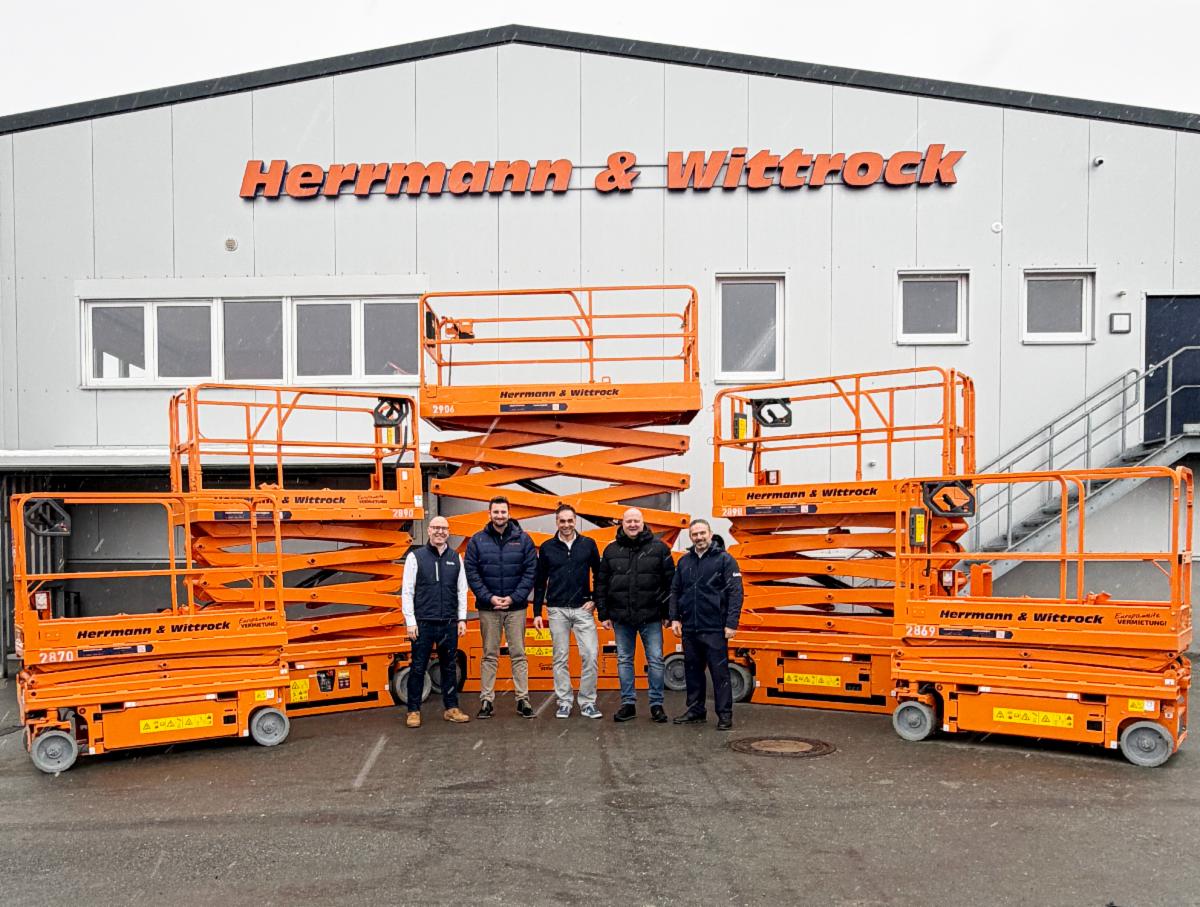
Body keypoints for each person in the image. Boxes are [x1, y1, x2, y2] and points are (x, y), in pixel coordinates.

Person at [596, 507, 675, 723]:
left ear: (643, 523)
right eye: (628, 521)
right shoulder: (611, 550)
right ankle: (628, 704)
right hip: (621, 617)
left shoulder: (659, 548)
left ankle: (656, 705)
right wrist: (603, 613)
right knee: (624, 660)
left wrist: (668, 612)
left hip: (651, 616)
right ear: (622, 524)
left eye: (636, 521)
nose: (632, 524)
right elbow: (601, 584)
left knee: (656, 660)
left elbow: (670, 583)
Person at [464, 495, 538, 719]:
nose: (499, 515)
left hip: (516, 608)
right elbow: (472, 572)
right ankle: (486, 701)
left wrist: (514, 598)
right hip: (489, 608)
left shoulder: (524, 540)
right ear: (489, 514)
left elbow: (530, 571)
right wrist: (490, 598)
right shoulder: (477, 541)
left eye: (503, 512)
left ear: (509, 513)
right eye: (495, 512)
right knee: (489, 655)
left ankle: (523, 700)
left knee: (518, 654)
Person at [669, 518, 744, 731]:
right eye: (695, 534)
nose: (699, 537)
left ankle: (724, 715)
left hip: (715, 628)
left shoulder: (725, 560)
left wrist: (731, 623)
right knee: (693, 672)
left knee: (720, 674)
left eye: (703, 533)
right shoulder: (684, 562)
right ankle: (696, 711)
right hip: (690, 627)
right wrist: (675, 618)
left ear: (710, 534)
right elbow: (675, 590)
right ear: (690, 537)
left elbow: (736, 592)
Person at [533, 504, 603, 719]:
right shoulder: (547, 547)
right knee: (560, 658)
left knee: (590, 655)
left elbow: (599, 575)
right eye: (562, 521)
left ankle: (587, 702)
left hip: (583, 609)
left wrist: (595, 600)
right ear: (556, 522)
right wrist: (537, 612)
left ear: (575, 521)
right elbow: (540, 581)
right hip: (557, 610)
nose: (566, 525)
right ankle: (564, 701)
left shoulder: (588, 544)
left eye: (570, 520)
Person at [400, 515, 471, 727]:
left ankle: (451, 708)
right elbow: (407, 591)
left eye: (444, 528)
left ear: (448, 532)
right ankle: (413, 711)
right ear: (429, 530)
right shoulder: (415, 557)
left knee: (449, 667)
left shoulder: (455, 558)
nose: (440, 531)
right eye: (436, 528)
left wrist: (462, 618)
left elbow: (462, 590)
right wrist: (410, 621)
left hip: (448, 623)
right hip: (423, 623)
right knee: (418, 667)